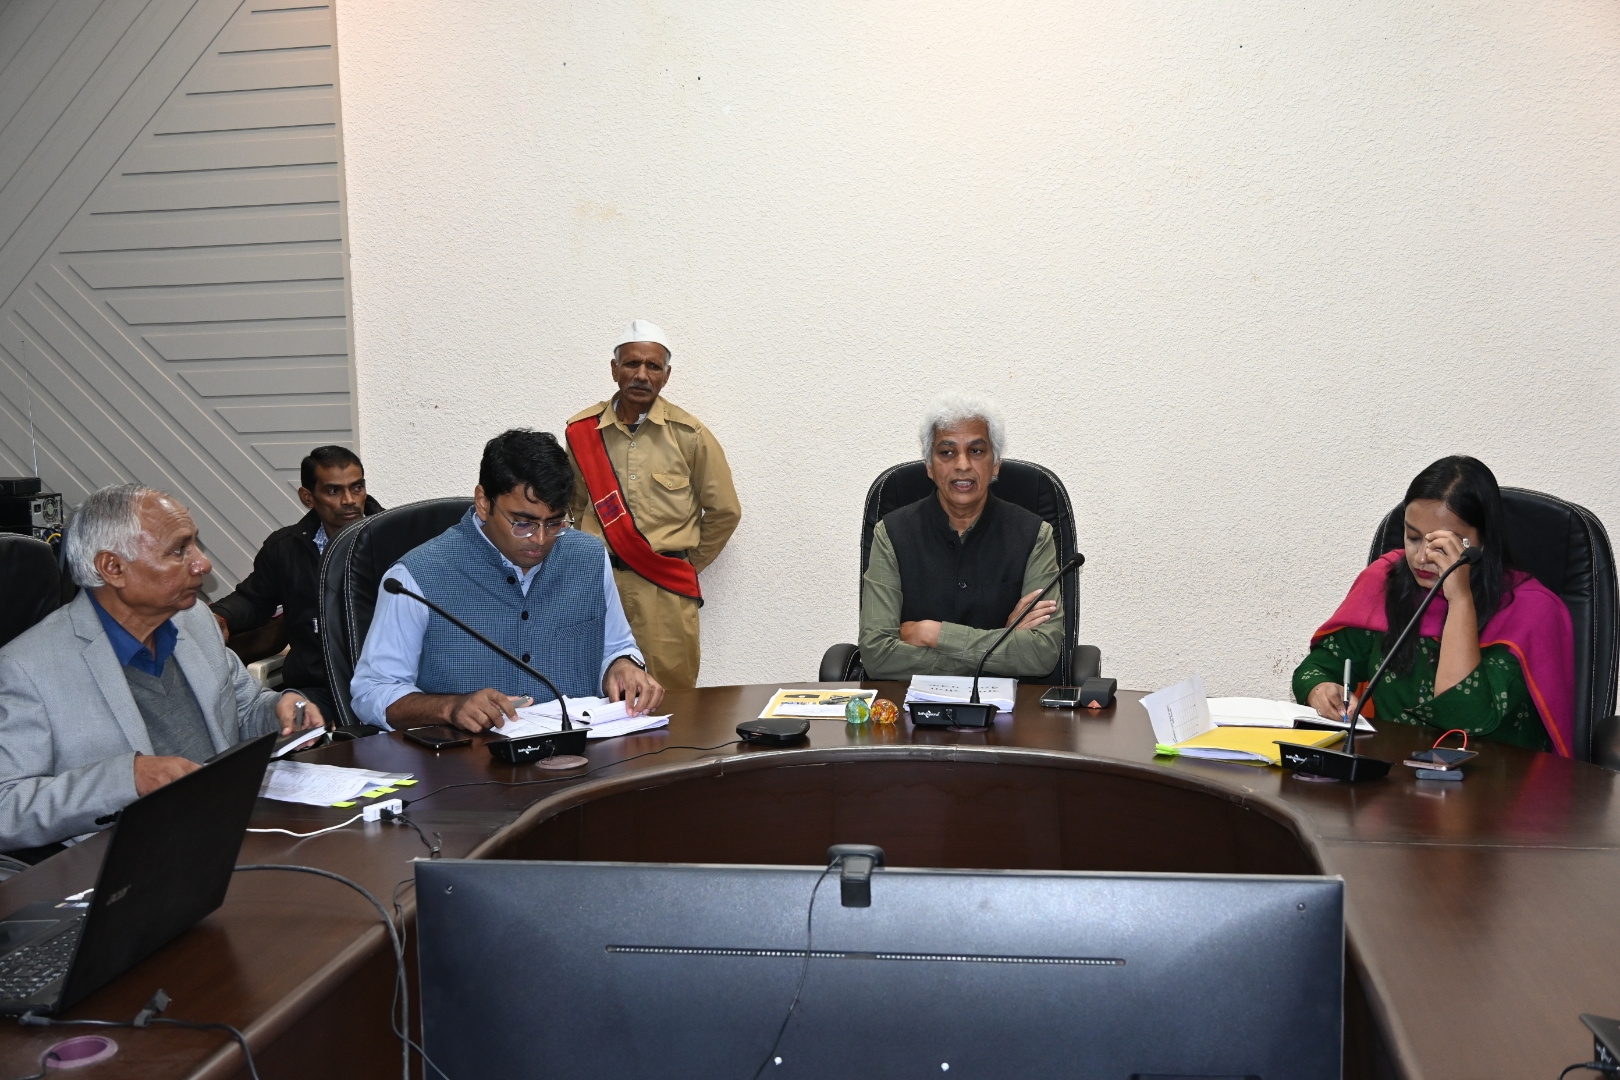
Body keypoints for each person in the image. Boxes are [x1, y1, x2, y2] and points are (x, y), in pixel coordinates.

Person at [0, 485, 325, 853]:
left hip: (232, 828)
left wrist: (282, 709)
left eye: (195, 545)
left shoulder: (195, 619)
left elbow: (245, 709)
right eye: (178, 550)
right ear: (113, 568)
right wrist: (127, 780)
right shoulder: (26, 668)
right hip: (130, 859)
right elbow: (6, 807)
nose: (203, 564)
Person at [351, 428, 663, 733]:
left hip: (579, 753)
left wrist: (623, 665)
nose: (540, 539)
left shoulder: (589, 557)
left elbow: (617, 647)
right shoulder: (414, 577)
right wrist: (449, 708)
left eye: (554, 523)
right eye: (523, 523)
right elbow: (372, 692)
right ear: (483, 502)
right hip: (466, 759)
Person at [1294, 456, 1575, 755]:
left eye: (1441, 545)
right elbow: (1319, 666)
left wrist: (1460, 600)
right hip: (1392, 769)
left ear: (1481, 543)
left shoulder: (1529, 611)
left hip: (1494, 776)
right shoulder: (1386, 582)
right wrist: (1320, 690)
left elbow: (1465, 718)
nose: (1421, 558)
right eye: (1413, 537)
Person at [565, 320, 741, 689]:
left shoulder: (689, 436)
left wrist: (685, 564)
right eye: (631, 364)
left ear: (666, 375)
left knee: (672, 700)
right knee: (594, 694)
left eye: (653, 366)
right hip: (599, 587)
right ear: (614, 369)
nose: (642, 375)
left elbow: (725, 511)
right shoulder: (582, 433)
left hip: (664, 595)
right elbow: (576, 507)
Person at [858, 391, 1064, 679]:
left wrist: (933, 633)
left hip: (1009, 706)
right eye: (947, 452)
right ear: (929, 466)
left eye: (976, 451)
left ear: (995, 463)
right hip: (908, 706)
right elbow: (876, 655)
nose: (963, 465)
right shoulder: (891, 534)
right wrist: (999, 645)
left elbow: (1041, 654)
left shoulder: (1034, 536)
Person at [211, 445, 383, 714]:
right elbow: (254, 599)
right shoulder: (285, 547)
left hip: (386, 684)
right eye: (334, 491)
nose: (349, 500)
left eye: (357, 487)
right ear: (308, 497)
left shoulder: (394, 538)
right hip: (318, 686)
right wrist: (220, 616)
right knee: (292, 728)